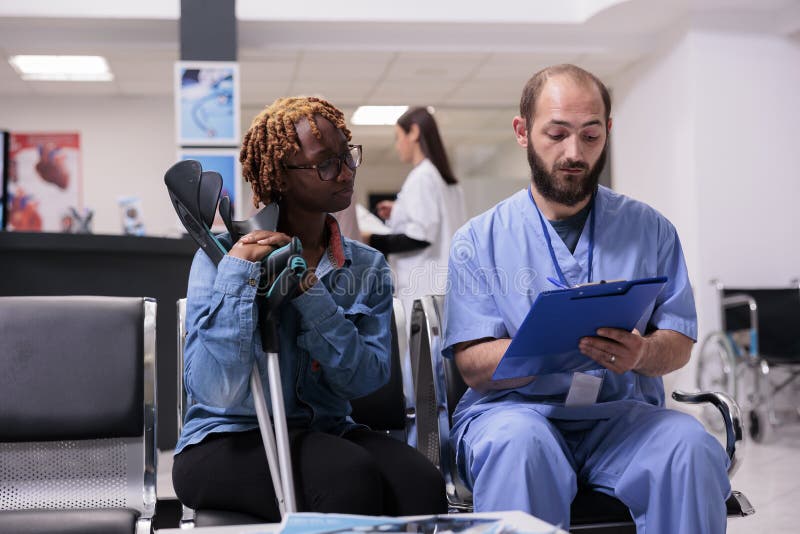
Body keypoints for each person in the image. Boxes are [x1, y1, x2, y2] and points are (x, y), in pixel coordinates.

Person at [443, 65, 730, 533]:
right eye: (556, 134)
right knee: (520, 446)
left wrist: (641, 352)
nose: (573, 153)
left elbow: (677, 341)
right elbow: (472, 364)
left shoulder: (650, 230)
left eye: (590, 136)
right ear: (522, 132)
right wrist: (546, 346)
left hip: (619, 417)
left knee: (691, 447)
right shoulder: (478, 240)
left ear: (608, 132)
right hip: (515, 412)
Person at [172, 96, 447, 520]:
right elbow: (216, 390)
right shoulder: (220, 258)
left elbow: (366, 380)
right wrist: (238, 277)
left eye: (348, 156)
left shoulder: (367, 265)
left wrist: (309, 293)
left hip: (328, 430)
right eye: (326, 163)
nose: (346, 172)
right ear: (280, 176)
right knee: (345, 475)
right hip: (226, 439)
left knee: (421, 483)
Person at [365, 107, 466, 314]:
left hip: (423, 288)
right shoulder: (446, 181)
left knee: (423, 346)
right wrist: (400, 211)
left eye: (398, 137)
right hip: (444, 286)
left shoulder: (422, 177)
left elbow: (419, 237)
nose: (397, 145)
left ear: (414, 132)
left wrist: (371, 240)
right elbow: (435, 222)